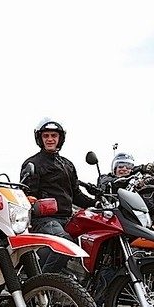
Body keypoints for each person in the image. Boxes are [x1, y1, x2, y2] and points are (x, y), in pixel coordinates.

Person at [19, 117, 95, 273]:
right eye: (46, 136)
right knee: (66, 242)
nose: (50, 139)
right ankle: (41, 285)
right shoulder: (33, 164)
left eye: (54, 136)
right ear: (40, 138)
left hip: (68, 219)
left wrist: (96, 203)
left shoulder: (67, 164)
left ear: (60, 138)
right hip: (45, 221)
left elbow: (76, 195)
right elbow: (27, 196)